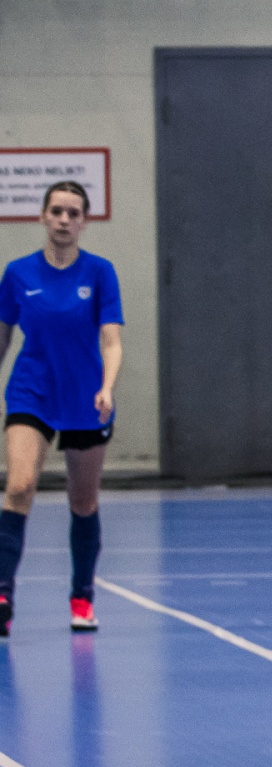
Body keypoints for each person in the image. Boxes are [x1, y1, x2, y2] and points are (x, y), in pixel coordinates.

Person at [0, 181, 122, 639]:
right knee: (19, 486)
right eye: (57, 211)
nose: (64, 220)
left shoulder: (100, 273)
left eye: (73, 213)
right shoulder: (17, 274)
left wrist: (107, 387)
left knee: (82, 501)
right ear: (43, 216)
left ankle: (82, 597)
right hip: (32, 392)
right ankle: (2, 595)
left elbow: (111, 340)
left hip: (86, 398)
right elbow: (2, 337)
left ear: (84, 221)